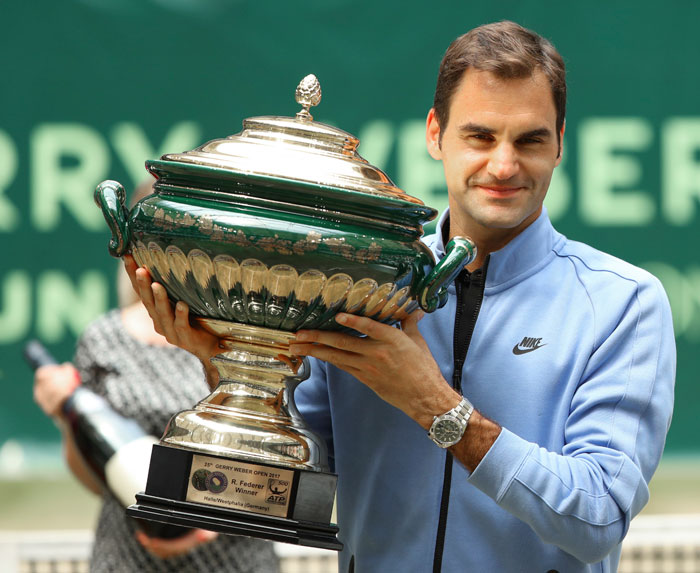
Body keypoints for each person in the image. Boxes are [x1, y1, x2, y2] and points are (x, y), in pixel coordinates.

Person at [126, 21, 676, 572]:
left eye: (530, 140)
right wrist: (229, 364)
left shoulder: (622, 303)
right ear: (435, 134)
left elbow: (598, 518)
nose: (504, 165)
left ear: (560, 143)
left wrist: (436, 407)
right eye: (480, 136)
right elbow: (287, 482)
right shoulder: (360, 283)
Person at [33, 183, 280, 573]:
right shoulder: (104, 338)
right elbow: (97, 475)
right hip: (128, 556)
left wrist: (208, 521)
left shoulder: (248, 338)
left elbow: (272, 465)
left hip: (234, 558)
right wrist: (66, 417)